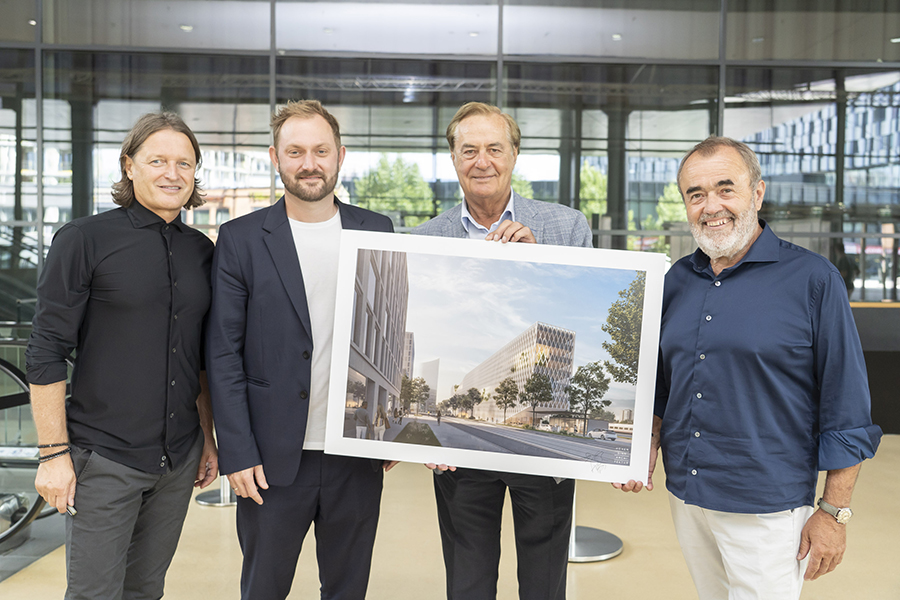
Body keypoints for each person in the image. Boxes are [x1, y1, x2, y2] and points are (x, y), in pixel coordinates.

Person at [615, 136, 882, 600]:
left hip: (767, 507)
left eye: (725, 188)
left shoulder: (814, 281)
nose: (710, 205)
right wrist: (641, 446)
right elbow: (659, 387)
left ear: (757, 193)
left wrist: (834, 513)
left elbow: (848, 407)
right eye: (695, 194)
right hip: (688, 496)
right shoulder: (675, 281)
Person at [205, 99, 395, 600]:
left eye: (320, 150)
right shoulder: (241, 238)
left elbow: (393, 338)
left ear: (340, 155)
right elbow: (223, 353)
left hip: (354, 456)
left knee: (347, 588)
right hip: (270, 460)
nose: (309, 163)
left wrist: (390, 431)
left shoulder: (377, 230)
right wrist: (237, 452)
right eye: (295, 152)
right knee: (264, 589)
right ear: (275, 157)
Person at [25, 112, 218, 600]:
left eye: (184, 163)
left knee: (146, 590)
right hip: (104, 458)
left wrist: (208, 439)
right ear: (130, 166)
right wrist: (52, 455)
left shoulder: (202, 251)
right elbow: (46, 349)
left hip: (177, 461)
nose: (172, 173)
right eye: (158, 160)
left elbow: (199, 358)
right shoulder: (84, 240)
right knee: (93, 594)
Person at [413, 101, 592, 600]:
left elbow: (580, 318)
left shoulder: (567, 228)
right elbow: (429, 329)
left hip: (541, 452)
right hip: (460, 453)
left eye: (495, 148)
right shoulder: (426, 239)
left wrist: (543, 263)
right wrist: (421, 439)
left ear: (514, 155)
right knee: (467, 580)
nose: (482, 161)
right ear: (453, 159)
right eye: (468, 150)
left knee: (544, 581)